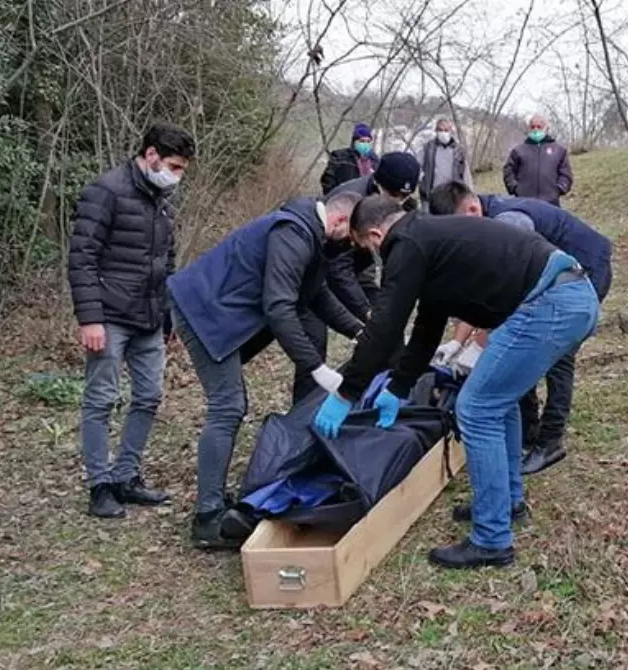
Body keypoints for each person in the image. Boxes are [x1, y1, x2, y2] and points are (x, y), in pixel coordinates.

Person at [311, 196, 599, 569]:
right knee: (498, 400)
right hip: (570, 294)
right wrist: (397, 388)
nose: (372, 256)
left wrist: (346, 393)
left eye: (365, 246)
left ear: (376, 233)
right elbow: (426, 328)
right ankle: (507, 502)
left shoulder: (407, 243)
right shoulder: (429, 239)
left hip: (551, 303)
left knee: (476, 409)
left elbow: (384, 325)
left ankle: (492, 540)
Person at [166, 191, 366, 548]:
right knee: (228, 407)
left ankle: (215, 502)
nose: (350, 247)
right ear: (338, 221)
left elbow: (316, 294)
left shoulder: (312, 237)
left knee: (230, 406)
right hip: (204, 313)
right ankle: (207, 519)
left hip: (222, 314)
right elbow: (279, 307)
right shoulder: (293, 233)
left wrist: (359, 330)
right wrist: (316, 367)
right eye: (351, 238)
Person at [428, 181, 612, 476]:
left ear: (473, 209)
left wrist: (479, 346)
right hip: (548, 282)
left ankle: (550, 440)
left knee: (555, 354)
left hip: (583, 276)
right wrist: (456, 342)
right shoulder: (482, 222)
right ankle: (527, 428)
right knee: (517, 348)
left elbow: (513, 293)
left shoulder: (510, 222)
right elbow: (484, 294)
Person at [68, 123, 195, 519]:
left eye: (182, 170)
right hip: (109, 317)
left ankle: (126, 476)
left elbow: (167, 263)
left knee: (149, 396)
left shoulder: (161, 201)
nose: (176, 175)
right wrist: (90, 319)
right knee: (101, 400)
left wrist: (169, 317)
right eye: (173, 166)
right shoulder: (105, 191)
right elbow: (82, 258)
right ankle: (99, 485)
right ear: (151, 154)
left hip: (150, 318)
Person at [327, 151, 422, 311]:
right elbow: (338, 268)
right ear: (379, 183)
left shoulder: (406, 206)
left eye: (404, 195)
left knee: (383, 313)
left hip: (364, 264)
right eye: (393, 194)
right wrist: (365, 311)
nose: (398, 200)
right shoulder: (352, 203)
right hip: (326, 267)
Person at [503, 114, 573, 206]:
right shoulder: (518, 151)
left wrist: (559, 189)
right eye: (533, 127)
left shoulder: (559, 151)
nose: (536, 129)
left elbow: (566, 174)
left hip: (551, 203)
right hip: (524, 202)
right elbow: (508, 171)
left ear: (545, 128)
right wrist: (515, 188)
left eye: (539, 127)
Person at [418, 118, 473, 213]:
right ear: (436, 131)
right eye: (440, 130)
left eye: (446, 130)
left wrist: (470, 194)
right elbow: (417, 166)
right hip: (429, 196)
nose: (443, 133)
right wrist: (421, 182)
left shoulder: (458, 151)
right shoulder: (428, 148)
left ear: (451, 131)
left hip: (452, 198)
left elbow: (465, 174)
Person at [320, 122, 379, 195]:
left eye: (368, 141)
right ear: (354, 142)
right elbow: (327, 180)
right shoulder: (340, 157)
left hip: (368, 203)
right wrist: (335, 197)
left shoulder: (375, 161)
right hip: (345, 201)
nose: (365, 144)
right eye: (362, 141)